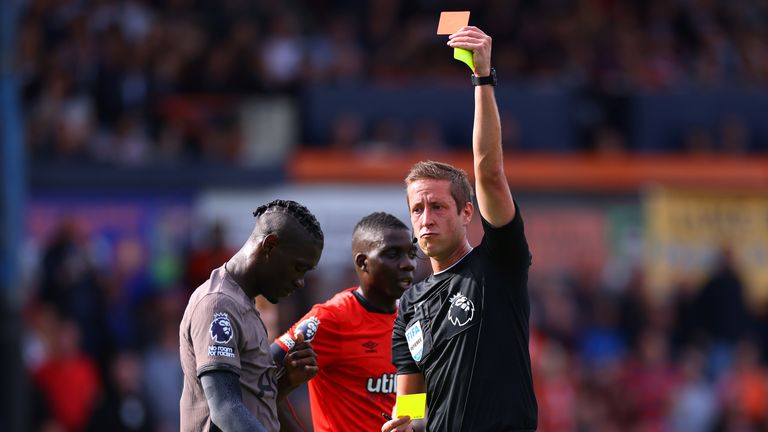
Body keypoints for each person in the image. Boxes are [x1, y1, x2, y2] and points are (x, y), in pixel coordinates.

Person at [382, 26, 538, 432]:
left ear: (467, 212)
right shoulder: (409, 306)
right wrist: (407, 426)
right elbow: (411, 404)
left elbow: (488, 172)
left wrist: (482, 78)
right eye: (417, 209)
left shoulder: (499, 263)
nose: (426, 217)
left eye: (438, 206)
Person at [179, 199, 324, 432]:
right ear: (270, 245)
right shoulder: (217, 303)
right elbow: (226, 409)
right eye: (298, 268)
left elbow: (252, 405)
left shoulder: (244, 304)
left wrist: (284, 382)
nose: (300, 282)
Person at [271, 212, 417, 431]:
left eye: (411, 253)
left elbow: (411, 406)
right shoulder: (331, 318)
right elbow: (259, 373)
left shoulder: (413, 322)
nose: (408, 264)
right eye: (393, 254)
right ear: (363, 262)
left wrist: (413, 422)